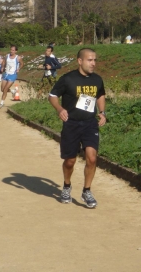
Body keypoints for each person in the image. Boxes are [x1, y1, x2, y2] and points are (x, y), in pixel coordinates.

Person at [48, 48, 106, 208]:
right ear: (80, 61)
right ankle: (67, 186)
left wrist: (102, 112)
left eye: (95, 60)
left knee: (92, 158)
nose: (93, 63)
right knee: (70, 161)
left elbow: (100, 95)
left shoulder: (97, 79)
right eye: (89, 60)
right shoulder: (68, 79)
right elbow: (52, 96)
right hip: (71, 123)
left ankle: (86, 190)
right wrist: (60, 109)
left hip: (89, 123)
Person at [0, 45, 23, 109]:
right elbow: (4, 62)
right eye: (11, 49)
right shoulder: (7, 56)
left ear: (16, 51)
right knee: (2, 89)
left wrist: (19, 68)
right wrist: (3, 67)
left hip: (13, 75)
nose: (11, 51)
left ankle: (1, 103)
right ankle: (12, 91)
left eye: (13, 50)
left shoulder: (18, 58)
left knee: (5, 89)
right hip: (6, 74)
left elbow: (22, 64)